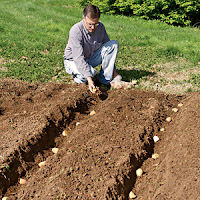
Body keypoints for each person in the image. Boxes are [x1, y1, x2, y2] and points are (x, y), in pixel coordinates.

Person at [63, 4, 122, 93]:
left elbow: (109, 51)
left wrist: (115, 74)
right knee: (88, 74)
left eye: (95, 24)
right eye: (89, 24)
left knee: (113, 45)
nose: (93, 28)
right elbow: (78, 59)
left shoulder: (100, 27)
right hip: (73, 60)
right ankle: (79, 79)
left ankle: (104, 80)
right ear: (83, 18)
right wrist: (90, 79)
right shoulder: (76, 31)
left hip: (90, 58)